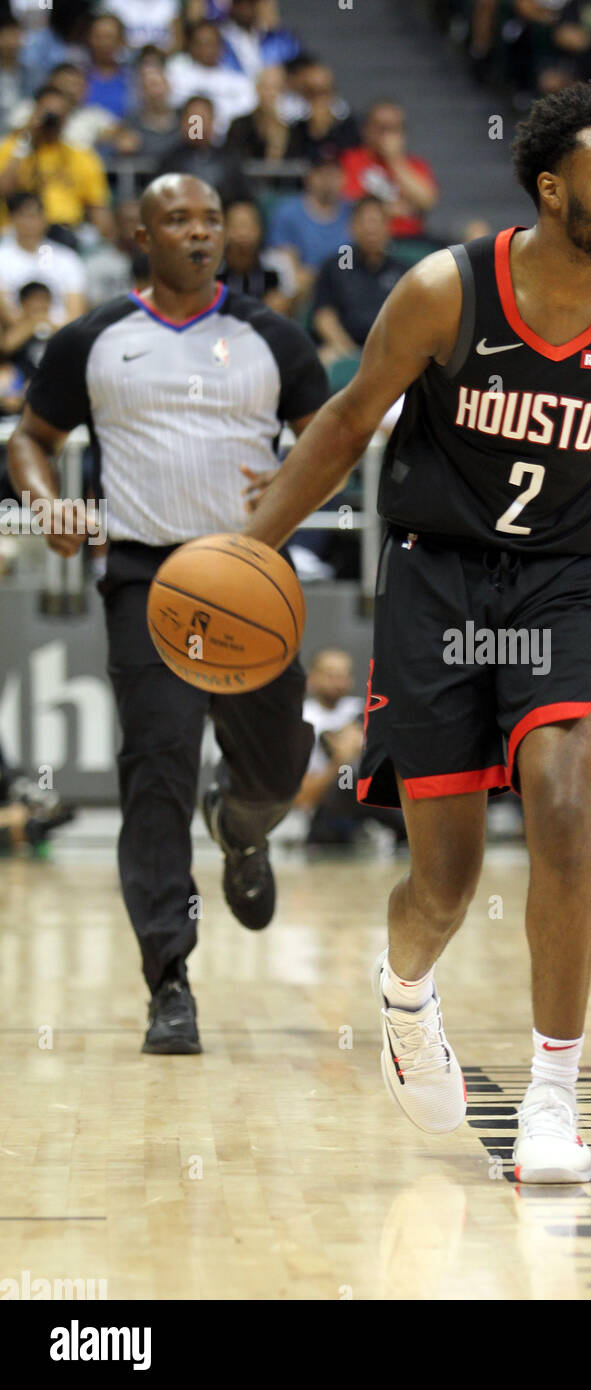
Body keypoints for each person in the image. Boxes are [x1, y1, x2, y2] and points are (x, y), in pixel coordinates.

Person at [239, 82, 591, 1183]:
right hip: (436, 581)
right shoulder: (444, 291)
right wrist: (251, 546)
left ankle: (553, 1100)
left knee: (562, 805)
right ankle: (404, 995)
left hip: (562, 582)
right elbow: (349, 421)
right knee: (444, 884)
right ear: (552, 189)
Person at [7, 173, 330, 1056]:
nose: (199, 232)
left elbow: (331, 437)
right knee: (156, 771)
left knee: (275, 769)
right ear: (141, 236)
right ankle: (169, 980)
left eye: (211, 219)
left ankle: (242, 830)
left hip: (250, 573)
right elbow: (30, 439)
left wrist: (296, 479)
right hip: (147, 578)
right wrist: (46, 503)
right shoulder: (94, 338)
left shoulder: (272, 337)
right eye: (178, 219)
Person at [295, 648, 406, 847]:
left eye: (343, 675)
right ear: (312, 678)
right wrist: (340, 761)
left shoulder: (362, 711)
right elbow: (302, 798)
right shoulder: (302, 720)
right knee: (349, 778)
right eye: (330, 675)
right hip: (327, 812)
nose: (337, 682)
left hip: (372, 805)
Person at [0, 85, 112, 242]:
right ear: (35, 112)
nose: (52, 120)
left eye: (59, 114)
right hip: (18, 235)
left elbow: (98, 207)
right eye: (47, 113)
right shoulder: (13, 149)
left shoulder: (82, 156)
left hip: (66, 234)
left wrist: (103, 242)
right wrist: (27, 138)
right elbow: (4, 189)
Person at [309, 196, 405, 366]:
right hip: (342, 349)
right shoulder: (335, 266)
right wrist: (349, 351)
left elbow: (411, 320)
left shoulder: (402, 271)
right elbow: (323, 316)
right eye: (364, 222)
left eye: (376, 222)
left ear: (388, 228)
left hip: (390, 351)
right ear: (351, 227)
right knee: (322, 359)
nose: (370, 229)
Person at [339, 101, 438, 241]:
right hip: (365, 241)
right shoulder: (351, 160)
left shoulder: (416, 164)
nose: (386, 135)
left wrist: (394, 160)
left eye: (393, 128)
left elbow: (427, 201)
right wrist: (395, 209)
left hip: (409, 239)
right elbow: (351, 202)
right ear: (366, 130)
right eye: (381, 127)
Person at [0, 191, 87, 324]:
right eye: (23, 216)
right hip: (18, 332)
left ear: (44, 218)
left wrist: (49, 325)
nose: (29, 223)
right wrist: (33, 325)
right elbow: (7, 313)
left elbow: (76, 312)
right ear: (12, 219)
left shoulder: (67, 258)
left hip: (60, 331)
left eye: (33, 216)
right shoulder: (2, 257)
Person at [266, 153, 352, 286]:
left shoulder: (353, 213)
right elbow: (285, 260)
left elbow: (351, 263)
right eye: (321, 174)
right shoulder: (288, 213)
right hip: (301, 285)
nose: (327, 180)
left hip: (344, 285)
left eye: (333, 174)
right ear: (308, 177)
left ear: (343, 178)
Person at [156, 95, 253, 208]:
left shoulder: (229, 158)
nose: (198, 127)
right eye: (194, 120)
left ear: (212, 121)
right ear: (183, 123)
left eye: (203, 119)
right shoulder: (170, 160)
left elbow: (243, 196)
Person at [165, 19, 256, 138]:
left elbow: (247, 108)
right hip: (191, 137)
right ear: (191, 46)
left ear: (221, 47)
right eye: (200, 43)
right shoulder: (177, 75)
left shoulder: (238, 82)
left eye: (211, 44)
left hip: (229, 138)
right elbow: (174, 104)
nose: (206, 49)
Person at [219, 199, 292, 314]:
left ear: (260, 229)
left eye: (248, 226)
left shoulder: (277, 265)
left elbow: (287, 301)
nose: (242, 234)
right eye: (235, 226)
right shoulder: (213, 268)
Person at [287, 61, 360, 165]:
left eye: (323, 92)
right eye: (312, 92)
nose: (319, 99)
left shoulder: (348, 125)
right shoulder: (294, 127)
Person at [225, 64, 303, 161]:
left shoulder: (292, 132)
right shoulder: (239, 126)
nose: (271, 93)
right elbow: (233, 160)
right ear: (257, 88)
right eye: (266, 87)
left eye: (276, 88)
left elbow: (293, 163)